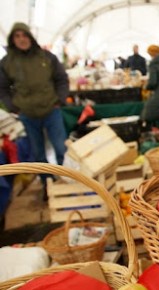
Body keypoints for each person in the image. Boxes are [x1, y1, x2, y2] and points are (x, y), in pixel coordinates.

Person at [0, 22, 69, 198]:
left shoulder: (47, 57)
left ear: (30, 37)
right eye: (17, 36)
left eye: (24, 35)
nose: (21, 39)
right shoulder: (7, 62)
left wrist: (60, 99)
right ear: (12, 39)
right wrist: (13, 107)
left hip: (51, 110)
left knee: (62, 148)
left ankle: (67, 182)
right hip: (27, 115)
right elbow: (3, 88)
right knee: (38, 154)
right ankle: (47, 184)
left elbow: (61, 79)